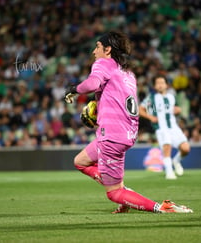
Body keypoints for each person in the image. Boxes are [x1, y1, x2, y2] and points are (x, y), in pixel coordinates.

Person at [64, 31, 192, 214]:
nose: (94, 52)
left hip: (112, 136)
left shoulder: (103, 63)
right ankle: (125, 197)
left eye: (97, 47)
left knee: (113, 193)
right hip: (126, 133)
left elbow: (92, 84)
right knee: (81, 161)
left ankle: (162, 207)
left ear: (107, 50)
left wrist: (73, 89)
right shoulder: (127, 73)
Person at [139, 75, 191, 180]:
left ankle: (176, 161)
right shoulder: (151, 98)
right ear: (154, 86)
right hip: (161, 127)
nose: (160, 85)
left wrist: (178, 110)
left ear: (166, 85)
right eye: (158, 83)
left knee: (185, 148)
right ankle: (169, 172)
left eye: (162, 83)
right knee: (167, 147)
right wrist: (150, 117)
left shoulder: (171, 97)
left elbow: (175, 109)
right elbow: (140, 109)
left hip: (173, 127)